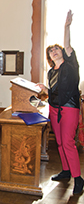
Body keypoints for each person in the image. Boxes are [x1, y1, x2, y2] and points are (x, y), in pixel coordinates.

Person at [37, 10, 83, 194]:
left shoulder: (70, 64)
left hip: (70, 108)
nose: (53, 51)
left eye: (56, 49)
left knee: (68, 142)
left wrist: (66, 26)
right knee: (60, 142)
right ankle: (66, 170)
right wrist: (44, 89)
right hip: (54, 108)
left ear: (62, 52)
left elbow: (68, 45)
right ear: (49, 57)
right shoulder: (51, 72)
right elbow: (53, 92)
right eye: (50, 51)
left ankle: (78, 178)